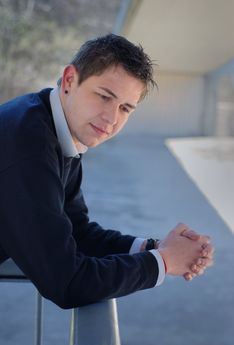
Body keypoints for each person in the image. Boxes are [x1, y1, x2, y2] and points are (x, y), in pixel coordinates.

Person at [0, 34, 214, 308]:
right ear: (69, 81)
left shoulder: (56, 129)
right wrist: (165, 262)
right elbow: (67, 282)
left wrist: (156, 249)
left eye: (125, 108)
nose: (111, 119)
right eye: (104, 96)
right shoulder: (27, 146)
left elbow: (78, 232)